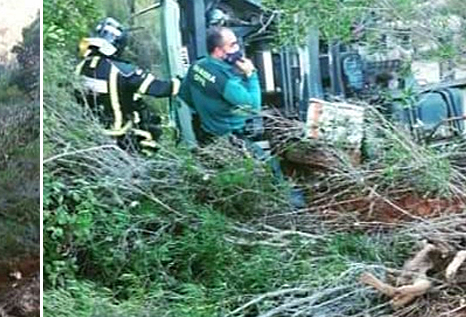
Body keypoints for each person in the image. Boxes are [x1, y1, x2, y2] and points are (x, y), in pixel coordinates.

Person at [180, 26, 305, 207]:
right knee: (270, 165)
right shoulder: (227, 81)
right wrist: (251, 74)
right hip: (228, 135)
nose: (237, 49)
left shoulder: (197, 66)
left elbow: (185, 95)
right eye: (232, 45)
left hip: (205, 131)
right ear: (218, 51)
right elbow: (252, 108)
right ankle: (287, 201)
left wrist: (210, 111)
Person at [75, 17, 180, 153]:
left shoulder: (82, 66)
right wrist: (180, 82)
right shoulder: (123, 71)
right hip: (118, 135)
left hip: (89, 131)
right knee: (152, 133)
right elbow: (159, 89)